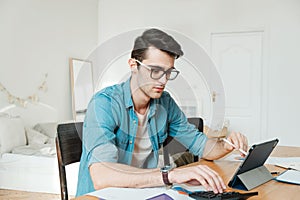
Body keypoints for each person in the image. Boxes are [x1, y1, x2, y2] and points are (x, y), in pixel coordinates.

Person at [76, 28, 248, 197]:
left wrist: (225, 146)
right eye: (155, 71)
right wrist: (169, 175)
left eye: (168, 72)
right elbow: (102, 176)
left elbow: (203, 147)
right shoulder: (104, 104)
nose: (163, 80)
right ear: (133, 65)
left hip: (142, 193)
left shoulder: (165, 103)